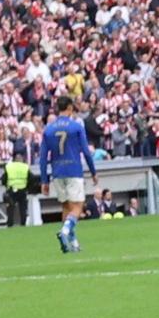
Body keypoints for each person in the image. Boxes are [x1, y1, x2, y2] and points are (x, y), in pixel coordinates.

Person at [41, 96, 99, 253]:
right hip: (73, 169)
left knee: (66, 206)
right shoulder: (76, 126)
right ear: (70, 108)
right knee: (78, 206)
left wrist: (44, 180)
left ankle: (72, 244)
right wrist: (93, 172)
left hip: (57, 171)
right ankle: (66, 231)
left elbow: (43, 157)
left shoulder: (48, 129)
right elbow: (86, 152)